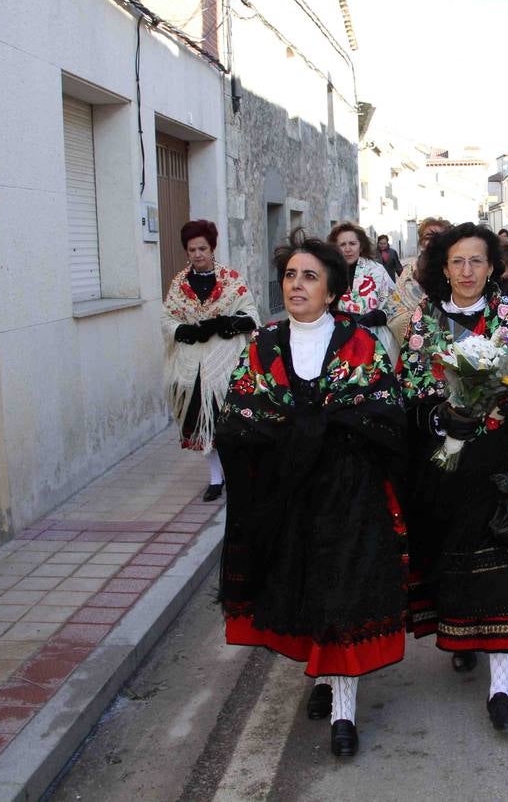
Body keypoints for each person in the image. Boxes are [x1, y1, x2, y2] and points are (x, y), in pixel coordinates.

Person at [216, 233, 406, 758]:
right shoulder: (263, 344)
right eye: (291, 276)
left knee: (343, 594)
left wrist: (332, 427)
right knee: (308, 591)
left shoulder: (359, 343)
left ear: (332, 291)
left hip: (348, 490)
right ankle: (323, 680)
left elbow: (385, 411)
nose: (297, 285)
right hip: (288, 494)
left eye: (309, 277)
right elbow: (239, 417)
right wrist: (287, 433)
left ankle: (345, 714)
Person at [400, 223, 508, 732]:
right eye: (457, 262)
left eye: (477, 261)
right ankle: (462, 638)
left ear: (493, 266)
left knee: (504, 572)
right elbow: (406, 389)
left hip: (502, 468)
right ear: (443, 268)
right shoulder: (422, 323)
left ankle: (501, 689)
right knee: (452, 565)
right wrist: (437, 416)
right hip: (444, 471)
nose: (467, 271)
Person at [161, 220, 261, 501]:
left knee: (229, 423)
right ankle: (216, 479)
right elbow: (168, 317)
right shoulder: (179, 284)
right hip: (193, 369)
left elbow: (251, 314)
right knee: (204, 424)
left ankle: (236, 474)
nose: (197, 254)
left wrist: (227, 323)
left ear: (212, 248)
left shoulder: (231, 280)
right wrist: (184, 330)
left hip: (225, 364)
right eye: (192, 249)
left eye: (202, 248)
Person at [328, 222, 399, 362]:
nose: (348, 249)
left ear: (361, 246)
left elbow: (396, 302)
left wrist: (381, 315)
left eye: (352, 243)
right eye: (342, 245)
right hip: (339, 339)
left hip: (376, 339)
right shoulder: (328, 273)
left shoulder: (377, 270)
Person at [389, 217, 450, 342]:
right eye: (428, 236)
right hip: (412, 336)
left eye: (439, 236)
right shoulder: (410, 270)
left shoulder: (455, 268)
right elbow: (395, 305)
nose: (434, 240)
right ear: (421, 242)